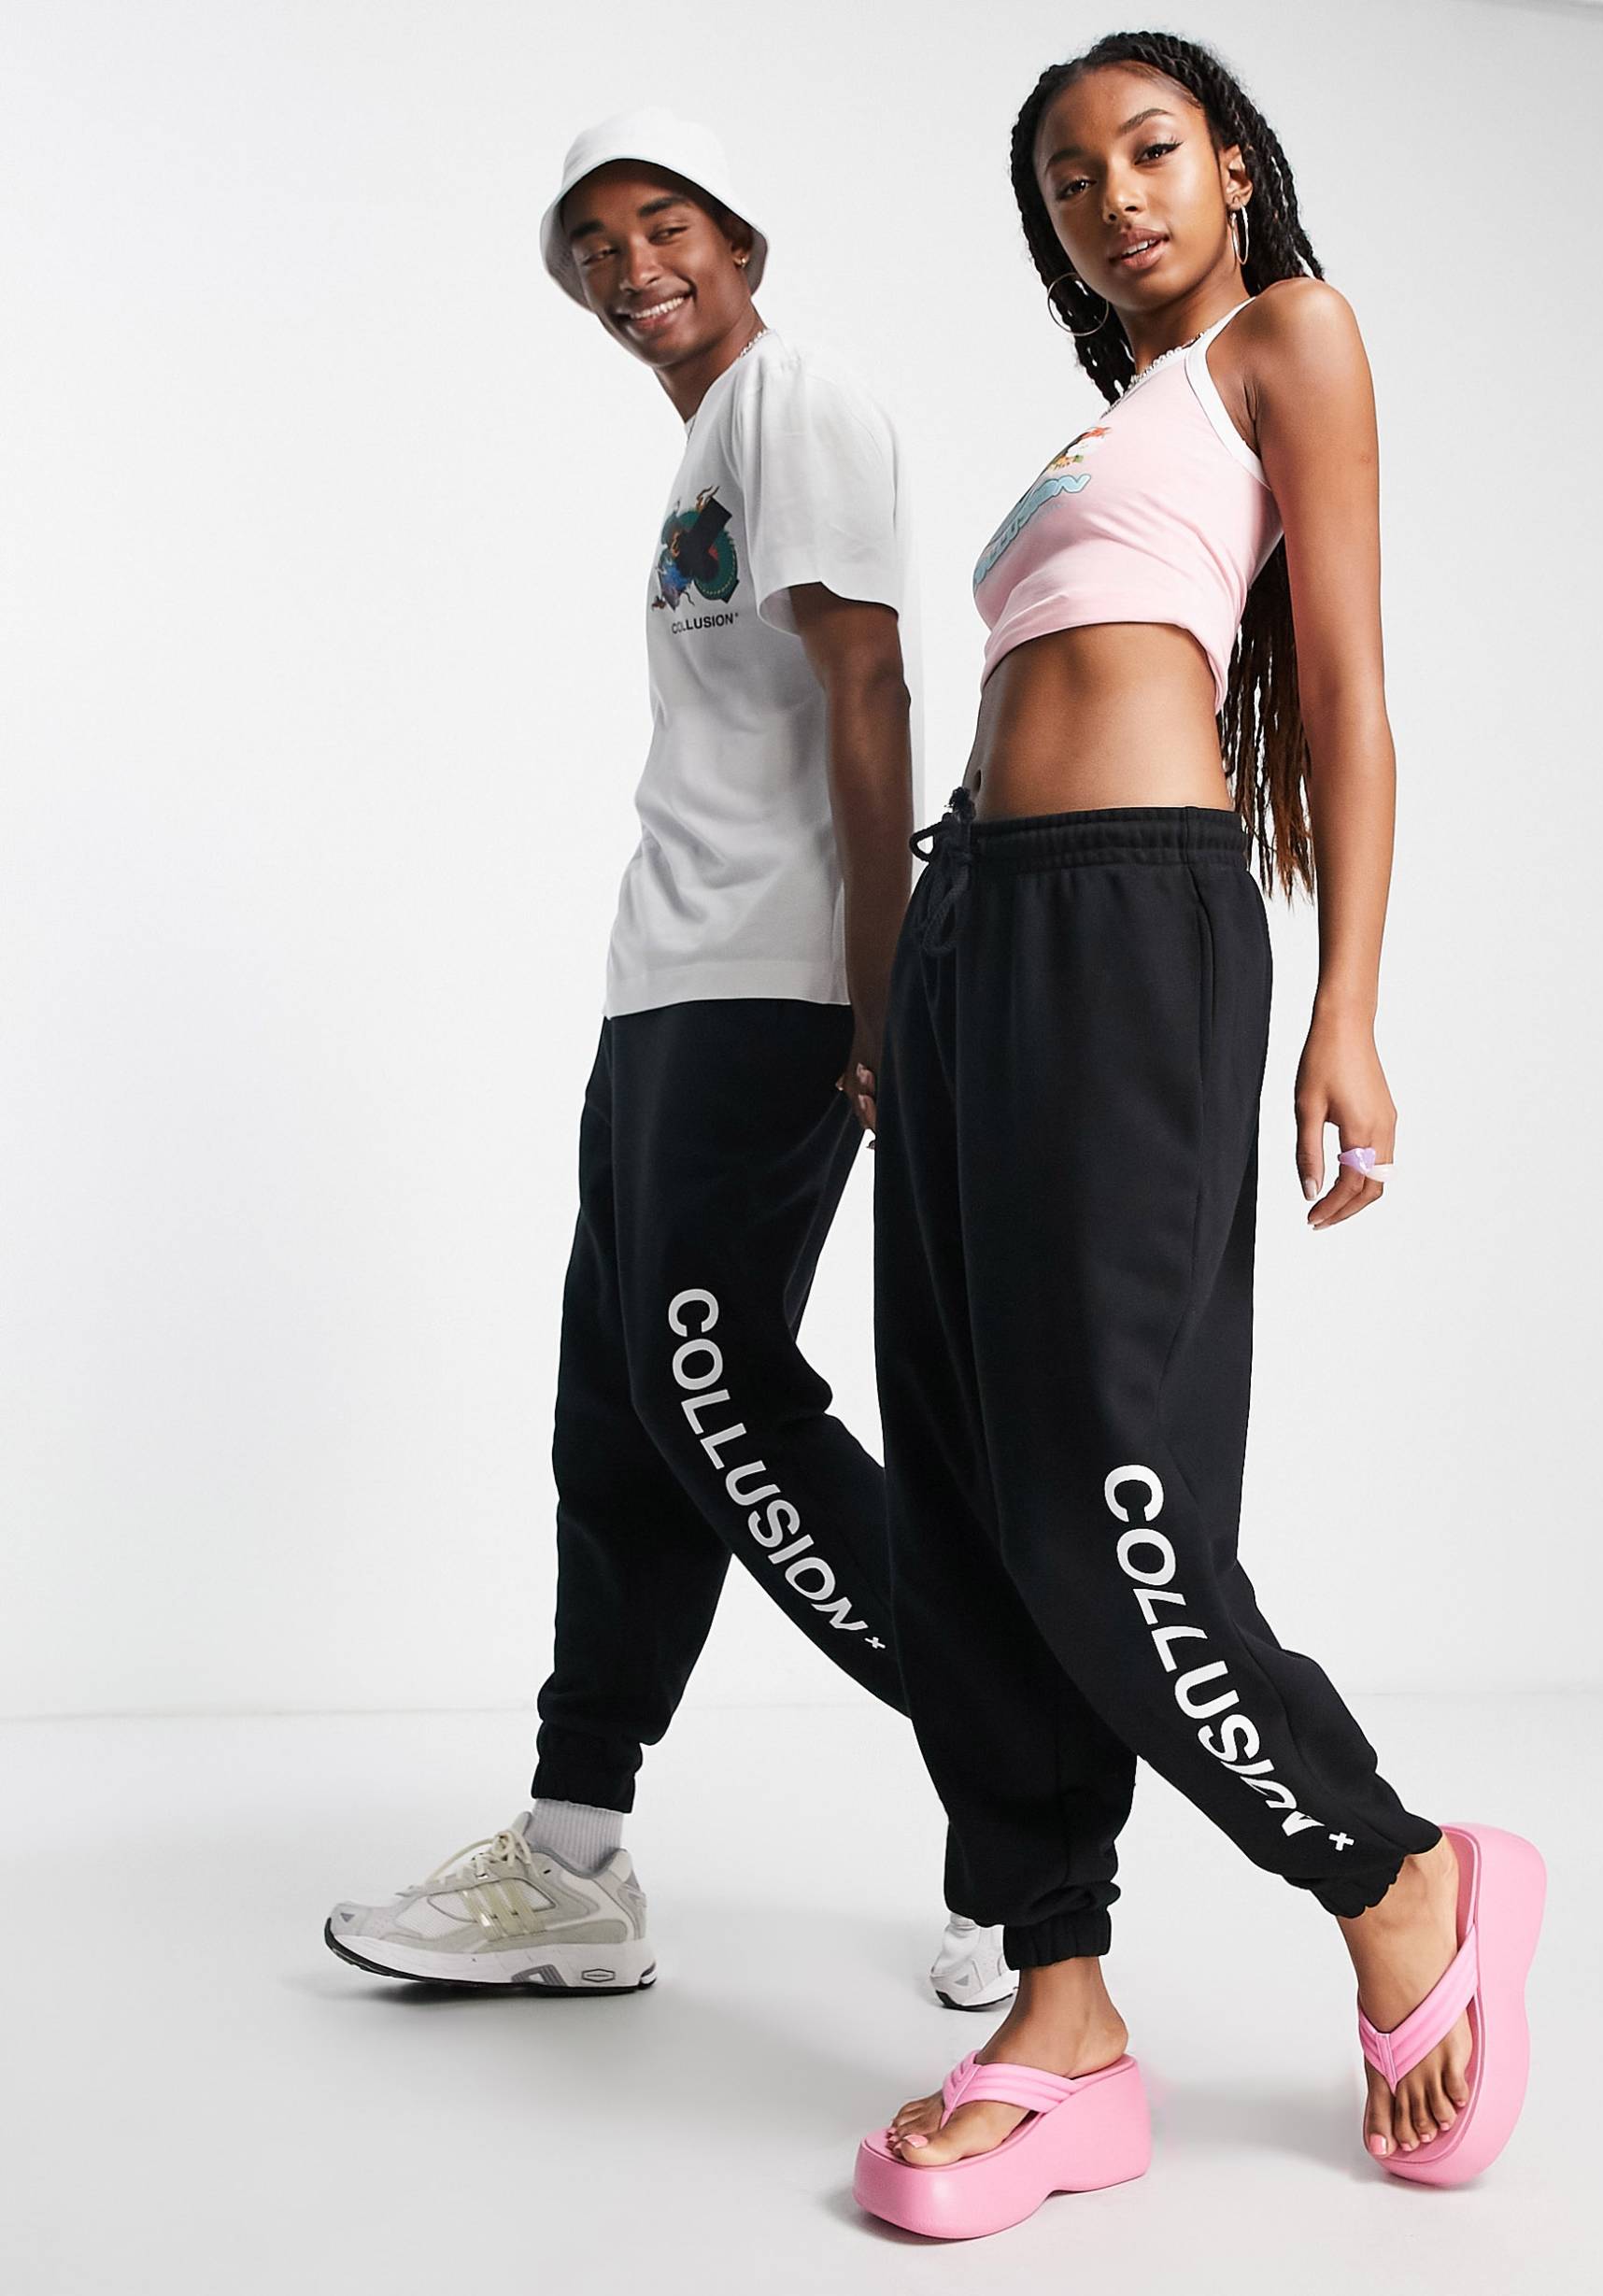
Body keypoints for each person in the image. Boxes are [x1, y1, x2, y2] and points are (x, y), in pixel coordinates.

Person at [849, 34, 1544, 2238]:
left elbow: (1342, 689)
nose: (1115, 197)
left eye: (1149, 150)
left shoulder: (1286, 340)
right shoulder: (1106, 418)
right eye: (1069, 180)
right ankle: (1060, 2003)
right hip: (973, 922)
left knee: (1104, 1498)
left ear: (1232, 164)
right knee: (963, 1500)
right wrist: (906, 984)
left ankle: (1397, 1872)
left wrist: (1348, 1005)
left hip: (1133, 918)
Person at [325, 106, 1010, 2010]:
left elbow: (869, 679)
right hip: (666, 987)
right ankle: (571, 1855)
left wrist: (877, 987)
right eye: (595, 249)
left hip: (779, 980)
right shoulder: (706, 446)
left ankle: (1023, 1780)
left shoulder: (798, 401)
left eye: (664, 225)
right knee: (618, 1414)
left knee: (713, 1392)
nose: (632, 268)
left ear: (742, 241)